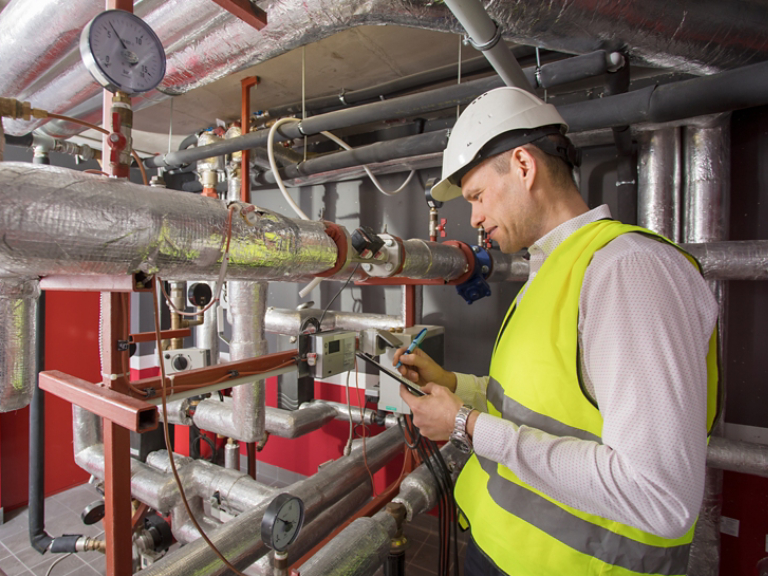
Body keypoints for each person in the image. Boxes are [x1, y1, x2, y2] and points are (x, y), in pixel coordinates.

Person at [393, 87, 719, 576]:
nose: (475, 219)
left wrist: (464, 425)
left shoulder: (628, 271)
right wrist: (456, 387)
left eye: (478, 196)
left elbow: (660, 497)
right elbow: (541, 407)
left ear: (524, 166)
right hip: (503, 552)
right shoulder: (554, 270)